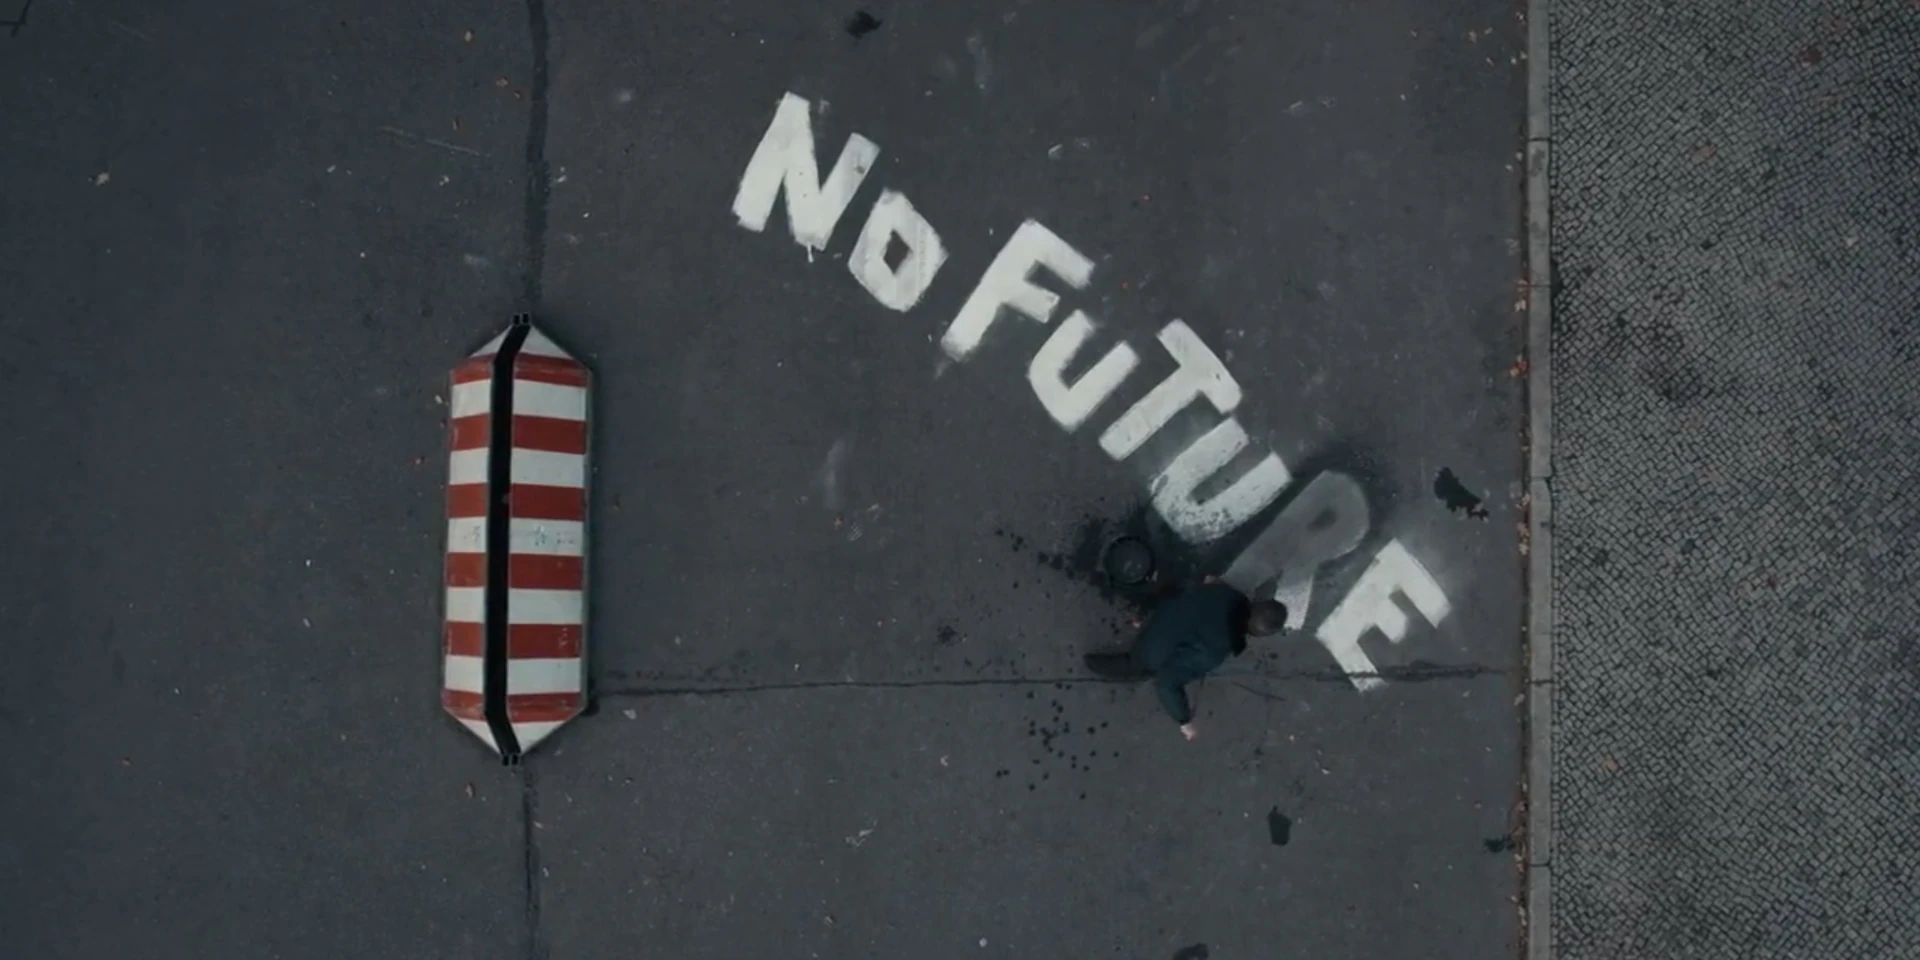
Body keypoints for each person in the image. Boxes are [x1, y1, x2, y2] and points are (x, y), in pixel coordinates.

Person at [1084, 579, 1289, 740]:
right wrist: (1184, 721)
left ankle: (1139, 619)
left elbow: (1206, 585)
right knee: (1138, 666)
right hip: (1153, 645)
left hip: (1161, 609)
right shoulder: (1215, 651)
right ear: (1257, 634)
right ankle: (1092, 663)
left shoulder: (1229, 594)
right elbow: (1166, 682)